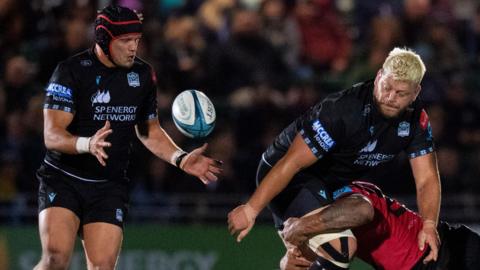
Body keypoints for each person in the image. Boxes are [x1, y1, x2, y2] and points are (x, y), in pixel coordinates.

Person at [35, 5, 222, 270]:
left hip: (109, 184)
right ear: (104, 39)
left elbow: (149, 131)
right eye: (125, 41)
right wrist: (87, 143)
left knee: (103, 266)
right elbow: (52, 135)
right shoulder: (71, 71)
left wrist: (180, 159)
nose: (133, 47)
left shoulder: (143, 75)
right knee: (55, 258)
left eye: (136, 40)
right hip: (64, 177)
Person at [228, 47, 441, 267]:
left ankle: (297, 239)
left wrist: (428, 225)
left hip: (330, 183)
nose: (390, 97)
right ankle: (296, 233)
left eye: (401, 93)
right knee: (342, 248)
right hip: (291, 176)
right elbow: (291, 163)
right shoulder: (344, 111)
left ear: (415, 93)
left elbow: (426, 178)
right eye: (386, 87)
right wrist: (251, 208)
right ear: (378, 76)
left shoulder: (416, 121)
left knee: (363, 210)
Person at [280, 181, 480, 270]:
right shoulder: (346, 190)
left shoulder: (339, 196)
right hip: (445, 246)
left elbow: (360, 211)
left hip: (442, 253)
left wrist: (299, 226)